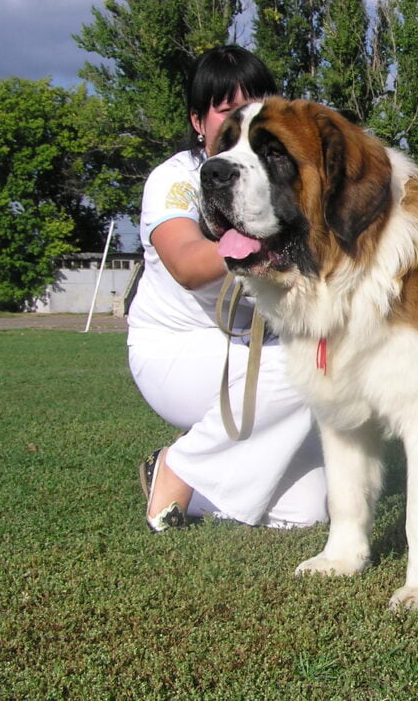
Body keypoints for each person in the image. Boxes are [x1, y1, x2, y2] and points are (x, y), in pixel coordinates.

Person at [127, 45, 327, 532]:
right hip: (178, 351)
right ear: (198, 121)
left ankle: (182, 481)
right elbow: (187, 265)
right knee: (313, 362)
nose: (244, 114)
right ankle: (181, 463)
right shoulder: (176, 178)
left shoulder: (282, 172)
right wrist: (253, 238)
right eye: (225, 107)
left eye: (256, 100)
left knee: (308, 512)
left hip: (256, 352)